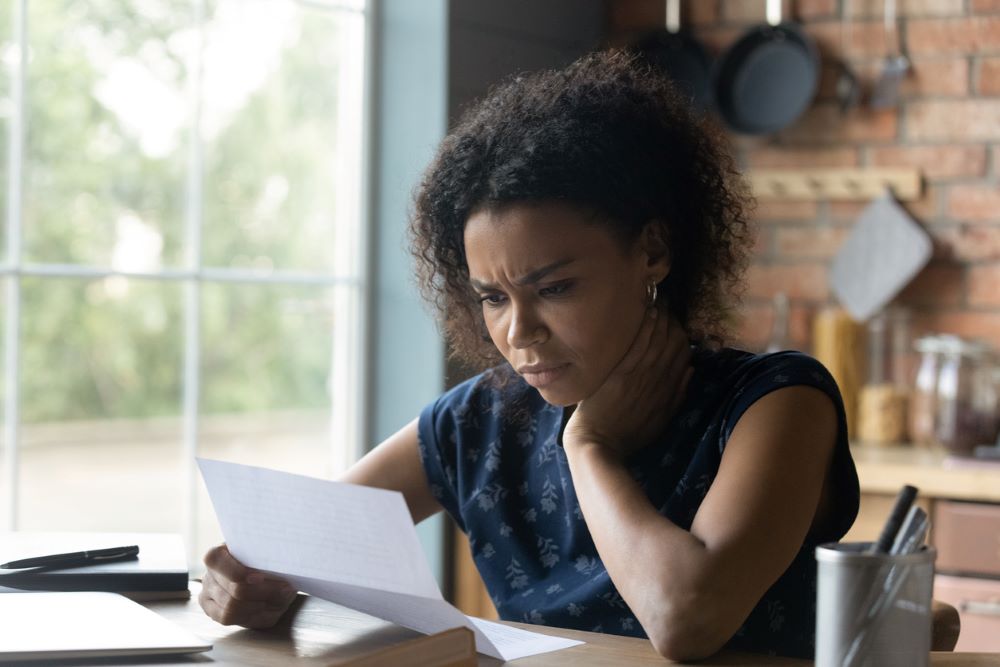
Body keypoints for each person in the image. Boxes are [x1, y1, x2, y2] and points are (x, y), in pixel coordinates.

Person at [198, 51, 859, 661]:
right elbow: (286, 551)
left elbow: (687, 618)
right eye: (493, 297)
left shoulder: (776, 403)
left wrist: (589, 447)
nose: (518, 332)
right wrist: (238, 582)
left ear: (653, 251)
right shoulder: (478, 421)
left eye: (555, 288)